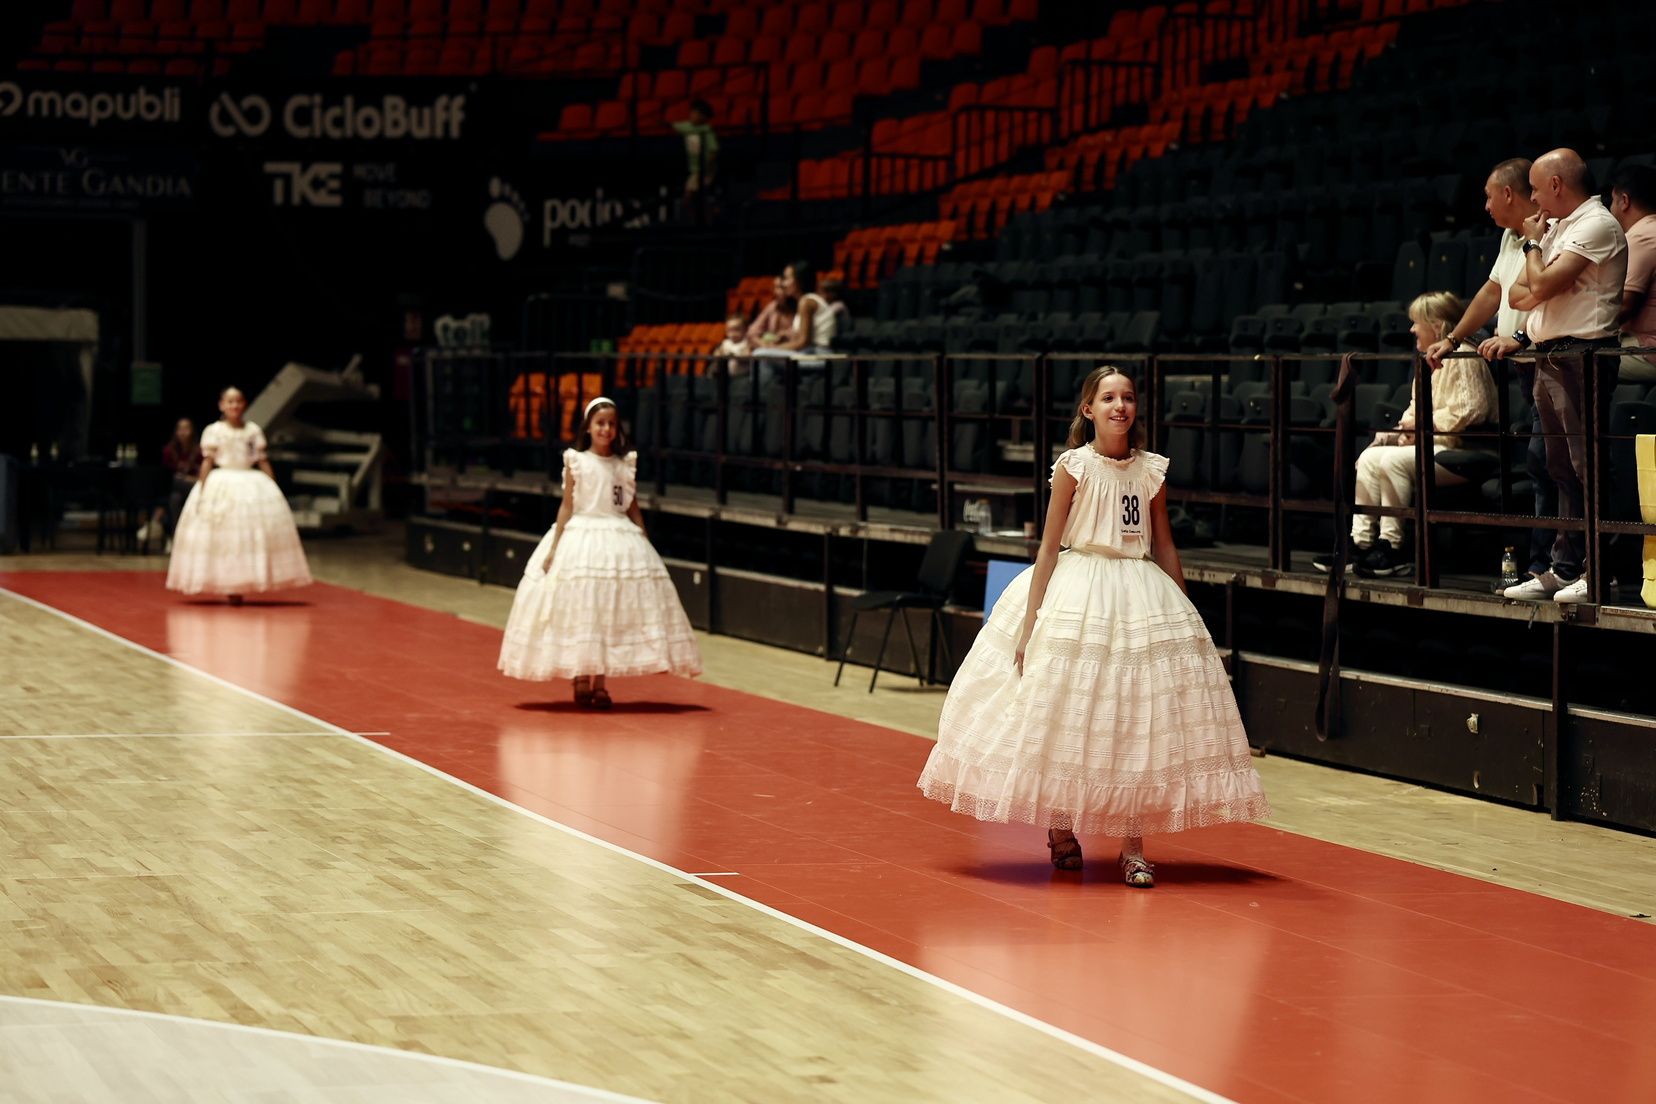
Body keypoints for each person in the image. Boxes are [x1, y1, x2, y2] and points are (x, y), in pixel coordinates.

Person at [916, 365, 1270, 886]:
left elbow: (1165, 541)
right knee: (1067, 711)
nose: (1119, 406)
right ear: (1089, 409)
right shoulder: (1074, 466)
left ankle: (1133, 847)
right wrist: (1030, 621)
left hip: (1138, 590)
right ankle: (1061, 828)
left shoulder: (1151, 470)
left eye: (1127, 397)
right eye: (1108, 398)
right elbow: (1049, 544)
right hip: (1079, 588)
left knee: (1131, 721)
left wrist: (1185, 610)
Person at [498, 396, 701, 707]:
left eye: (611, 424)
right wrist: (554, 547)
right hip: (581, 537)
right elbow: (567, 505)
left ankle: (601, 681)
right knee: (581, 608)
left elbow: (631, 505)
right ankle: (580, 677)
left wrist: (643, 538)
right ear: (589, 427)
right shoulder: (577, 461)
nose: (606, 429)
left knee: (609, 609)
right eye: (600, 423)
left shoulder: (624, 464)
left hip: (616, 539)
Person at [1503, 148, 1629, 604]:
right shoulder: (1557, 228)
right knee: (1558, 469)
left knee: (1586, 467)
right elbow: (1520, 294)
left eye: (1535, 188)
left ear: (1556, 185)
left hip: (1583, 356)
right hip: (1549, 356)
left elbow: (1537, 286)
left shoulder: (1595, 224)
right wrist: (1540, 269)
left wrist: (1534, 249)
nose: (1532, 199)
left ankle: (1600, 573)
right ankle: (1564, 567)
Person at [1427, 158, 1553, 583]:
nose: (1484, 206)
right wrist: (1453, 337)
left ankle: (1550, 565)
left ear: (1507, 194)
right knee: (1541, 464)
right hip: (1522, 368)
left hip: (1548, 360)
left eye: (1487, 196)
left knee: (1550, 465)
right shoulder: (1509, 236)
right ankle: (1544, 564)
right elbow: (1492, 290)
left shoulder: (1547, 233)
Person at [1316, 292, 1500, 577]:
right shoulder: (1428, 361)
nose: (1412, 329)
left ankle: (1393, 547)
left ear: (1437, 326)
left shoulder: (1464, 354)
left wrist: (1422, 426)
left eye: (1417, 322)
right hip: (1431, 444)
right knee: (1370, 456)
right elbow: (1414, 412)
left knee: (1392, 461)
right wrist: (1395, 434)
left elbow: (1473, 410)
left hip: (1465, 449)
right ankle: (1361, 544)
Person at [165, 388, 312, 604]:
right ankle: (226, 581)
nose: (234, 406)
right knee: (224, 535)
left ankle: (244, 580)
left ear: (243, 404)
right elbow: (207, 461)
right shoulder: (214, 430)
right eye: (229, 401)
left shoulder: (252, 430)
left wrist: (274, 488)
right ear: (222, 405)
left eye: (238, 401)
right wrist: (202, 489)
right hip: (222, 482)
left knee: (248, 536)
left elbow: (262, 460)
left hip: (249, 482)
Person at [1609, 163, 1656, 381]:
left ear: (1624, 201)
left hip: (1648, 350)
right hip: (1642, 343)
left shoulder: (1642, 234)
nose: (1611, 208)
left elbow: (1625, 306)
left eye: (1612, 201)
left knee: (1567, 363)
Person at [137, 417, 201, 547]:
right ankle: (175, 538)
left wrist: (189, 479)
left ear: (192, 431)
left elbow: (201, 474)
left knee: (179, 483)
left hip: (195, 489)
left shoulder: (199, 451)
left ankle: (156, 521)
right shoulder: (169, 451)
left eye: (186, 429)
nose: (183, 432)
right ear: (176, 432)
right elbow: (165, 476)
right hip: (174, 490)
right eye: (180, 429)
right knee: (174, 499)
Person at [672, 99, 718, 224]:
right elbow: (673, 127)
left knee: (690, 197)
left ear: (703, 117)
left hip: (704, 171)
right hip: (694, 171)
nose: (692, 115)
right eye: (692, 113)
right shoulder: (687, 127)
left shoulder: (707, 131)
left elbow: (713, 152)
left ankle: (705, 223)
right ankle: (698, 222)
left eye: (696, 113)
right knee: (693, 199)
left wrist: (707, 170)